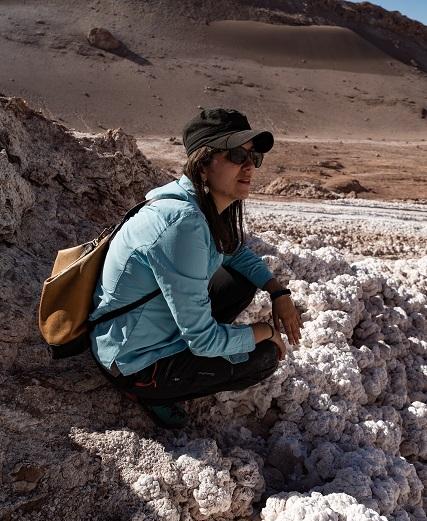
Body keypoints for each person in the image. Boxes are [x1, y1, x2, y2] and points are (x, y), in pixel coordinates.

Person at [89, 108, 303, 427]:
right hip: (132, 360)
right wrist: (266, 333)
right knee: (264, 358)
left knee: (241, 281)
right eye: (235, 155)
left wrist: (277, 291)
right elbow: (203, 341)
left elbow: (233, 254)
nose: (248, 166)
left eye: (253, 158)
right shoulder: (183, 224)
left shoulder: (192, 205)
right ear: (203, 164)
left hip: (141, 329)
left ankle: (180, 358)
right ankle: (150, 393)